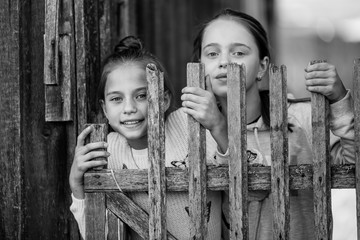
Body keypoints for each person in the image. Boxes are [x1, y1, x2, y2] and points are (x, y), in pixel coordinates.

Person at [181, 9, 355, 240]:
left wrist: (340, 100)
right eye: (212, 53)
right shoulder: (191, 130)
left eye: (238, 52)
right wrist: (217, 127)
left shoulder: (300, 118)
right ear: (199, 65)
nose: (224, 62)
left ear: (262, 67)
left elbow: (353, 165)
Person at [69, 36, 224, 240]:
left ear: (164, 99)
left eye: (141, 95)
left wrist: (219, 126)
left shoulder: (189, 125)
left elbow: (239, 172)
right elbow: (101, 235)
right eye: (116, 99)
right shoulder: (107, 152)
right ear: (105, 109)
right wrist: (78, 187)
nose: (129, 108)